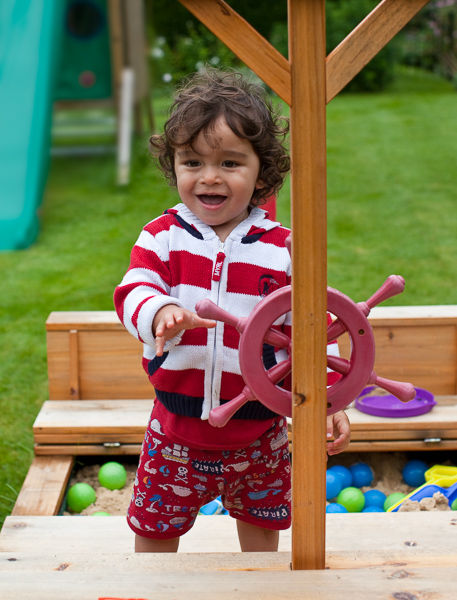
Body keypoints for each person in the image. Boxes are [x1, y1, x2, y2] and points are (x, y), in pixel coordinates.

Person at [114, 68, 350, 553]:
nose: (209, 176)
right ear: (174, 166)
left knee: (263, 531)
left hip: (260, 434)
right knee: (155, 532)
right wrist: (158, 311)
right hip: (175, 431)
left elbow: (313, 332)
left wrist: (330, 398)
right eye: (192, 162)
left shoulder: (283, 249)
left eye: (229, 162)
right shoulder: (163, 236)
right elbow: (133, 288)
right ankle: (154, 587)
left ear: (261, 172)